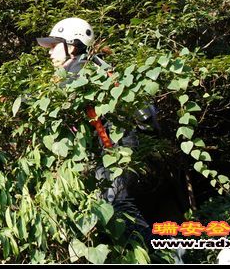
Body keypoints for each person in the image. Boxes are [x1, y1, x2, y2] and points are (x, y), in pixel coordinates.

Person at [36, 17, 155, 246]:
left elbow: (58, 102)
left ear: (71, 45)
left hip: (116, 146)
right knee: (112, 203)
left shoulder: (81, 68)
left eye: (53, 46)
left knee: (118, 204)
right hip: (112, 145)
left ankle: (161, 255)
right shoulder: (89, 64)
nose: (49, 52)